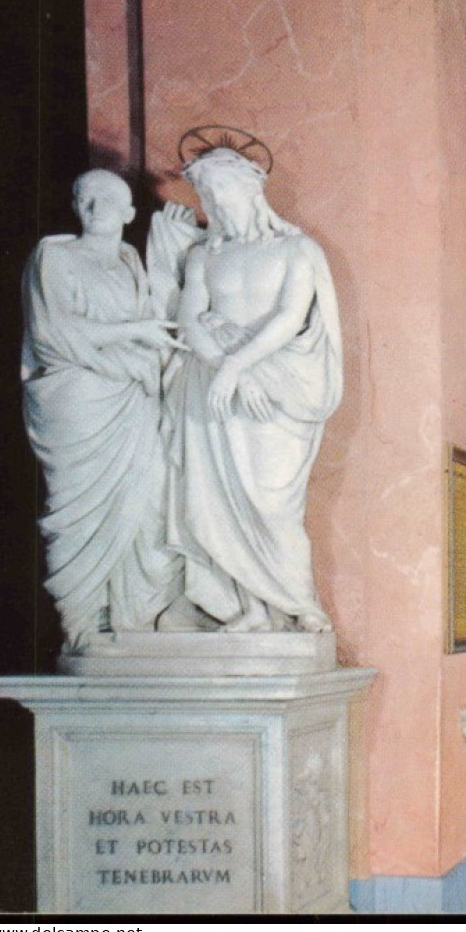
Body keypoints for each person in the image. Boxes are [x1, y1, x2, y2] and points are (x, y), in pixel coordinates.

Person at [166, 146, 343, 632]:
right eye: (205, 194)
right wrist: (229, 371)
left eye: (221, 190)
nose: (214, 204)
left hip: (279, 389)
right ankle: (252, 609)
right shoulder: (204, 255)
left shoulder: (296, 250)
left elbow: (291, 317)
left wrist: (238, 366)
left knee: (271, 502)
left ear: (251, 189)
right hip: (218, 390)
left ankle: (297, 604)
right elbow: (189, 320)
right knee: (220, 501)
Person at [20, 170, 185, 650]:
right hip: (79, 402)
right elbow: (54, 334)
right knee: (77, 514)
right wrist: (131, 335)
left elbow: (165, 313)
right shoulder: (54, 254)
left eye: (107, 199)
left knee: (151, 497)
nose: (94, 208)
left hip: (132, 399)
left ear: (130, 212)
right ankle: (82, 623)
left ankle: (135, 618)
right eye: (85, 198)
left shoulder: (132, 259)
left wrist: (172, 237)